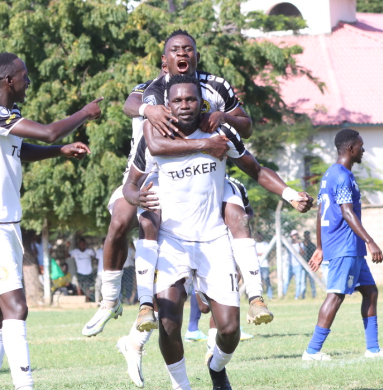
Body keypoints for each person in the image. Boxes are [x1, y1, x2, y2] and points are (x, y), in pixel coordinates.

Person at [122, 75, 313, 389]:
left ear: (202, 102)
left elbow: (256, 169)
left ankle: (216, 367)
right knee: (169, 322)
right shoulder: (154, 133)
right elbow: (131, 182)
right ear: (167, 104)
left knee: (228, 328)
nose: (185, 106)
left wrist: (290, 194)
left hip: (213, 239)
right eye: (178, 100)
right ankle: (181, 385)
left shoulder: (222, 132)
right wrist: (134, 196)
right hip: (172, 239)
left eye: (191, 99)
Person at [86, 29, 271, 337]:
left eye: (188, 49)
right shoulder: (151, 91)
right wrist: (148, 109)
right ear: (164, 61)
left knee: (235, 218)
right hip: (150, 174)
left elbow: (246, 126)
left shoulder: (214, 87)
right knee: (122, 219)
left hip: (205, 177)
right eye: (175, 50)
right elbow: (129, 106)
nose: (182, 54)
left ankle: (237, 308)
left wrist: (222, 116)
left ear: (196, 55)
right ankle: (111, 300)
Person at [0, 52, 101, 390]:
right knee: (17, 308)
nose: (29, 81)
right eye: (24, 75)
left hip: (6, 223)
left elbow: (22, 149)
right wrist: (84, 114)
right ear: (9, 80)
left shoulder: (7, 115)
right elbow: (49, 132)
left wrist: (60, 151)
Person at [304, 128, 383, 361]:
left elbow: (321, 210)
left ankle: (373, 350)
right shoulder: (342, 176)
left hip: (348, 247)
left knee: (370, 292)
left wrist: (320, 247)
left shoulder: (330, 174)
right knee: (336, 295)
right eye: (361, 146)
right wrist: (370, 241)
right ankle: (312, 351)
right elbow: (347, 212)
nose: (363, 150)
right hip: (345, 246)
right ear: (351, 149)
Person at [285, 230, 306, 299]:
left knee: (298, 282)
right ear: (291, 236)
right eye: (294, 235)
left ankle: (296, 296)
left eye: (296, 235)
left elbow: (303, 253)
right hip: (290, 266)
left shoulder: (300, 244)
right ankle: (283, 295)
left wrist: (299, 245)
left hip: (298, 265)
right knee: (286, 281)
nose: (295, 236)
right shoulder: (289, 244)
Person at [303, 231, 317, 299]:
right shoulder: (302, 244)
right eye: (306, 235)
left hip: (310, 265)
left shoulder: (312, 245)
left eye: (308, 235)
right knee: (303, 282)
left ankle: (314, 295)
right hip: (303, 265)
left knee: (312, 282)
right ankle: (302, 296)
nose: (307, 237)